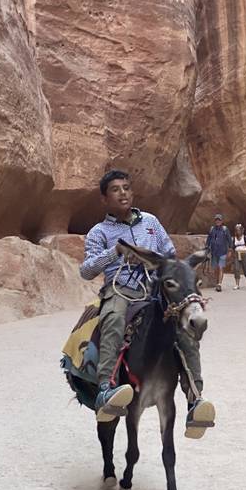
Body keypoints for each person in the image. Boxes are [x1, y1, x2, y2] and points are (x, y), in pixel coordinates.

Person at [80, 169, 214, 435]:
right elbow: (86, 270)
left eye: (126, 188)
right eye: (115, 189)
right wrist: (114, 252)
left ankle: (195, 398)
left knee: (186, 328)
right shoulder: (99, 232)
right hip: (121, 291)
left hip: (153, 293)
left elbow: (169, 255)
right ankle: (106, 390)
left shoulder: (151, 222)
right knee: (114, 320)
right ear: (104, 199)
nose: (123, 193)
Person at [205, 214, 233, 292]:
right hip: (214, 252)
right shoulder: (212, 229)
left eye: (219, 220)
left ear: (222, 221)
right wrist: (207, 248)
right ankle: (217, 282)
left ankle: (219, 284)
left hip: (222, 252)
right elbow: (208, 239)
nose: (218, 221)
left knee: (221, 267)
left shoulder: (225, 229)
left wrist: (230, 250)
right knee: (215, 268)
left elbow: (229, 240)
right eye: (216, 220)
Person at [231, 224, 246, 289]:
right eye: (236, 230)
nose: (238, 231)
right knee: (236, 269)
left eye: (239, 230)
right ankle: (237, 284)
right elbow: (232, 248)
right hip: (237, 254)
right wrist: (232, 256)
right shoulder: (234, 239)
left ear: (242, 230)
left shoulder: (245, 238)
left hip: (244, 253)